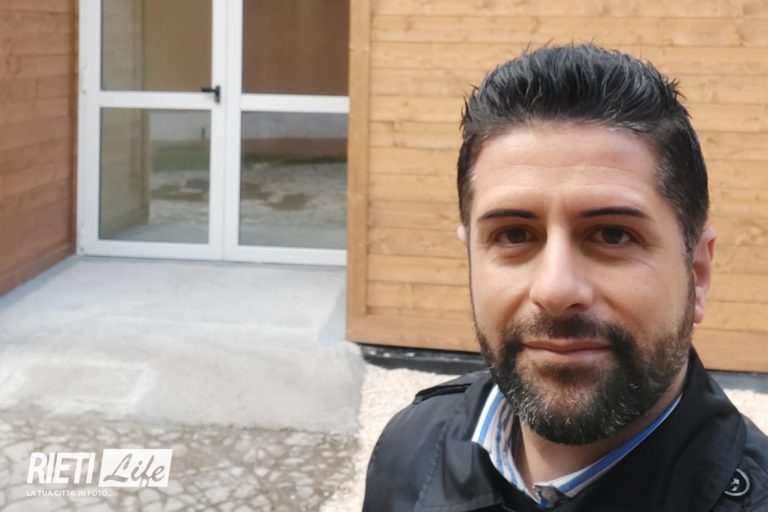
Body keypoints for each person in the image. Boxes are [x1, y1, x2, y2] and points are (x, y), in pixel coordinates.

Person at [363, 44, 768, 512]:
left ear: (696, 273)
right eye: (514, 235)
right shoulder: (412, 446)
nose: (555, 290)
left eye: (613, 235)